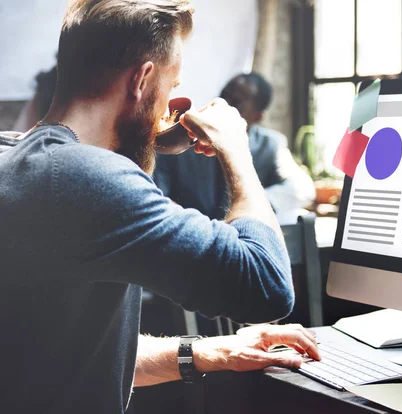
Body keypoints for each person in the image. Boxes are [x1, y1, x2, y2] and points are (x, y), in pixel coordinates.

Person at [0, 1, 319, 413]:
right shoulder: (85, 177)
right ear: (142, 79)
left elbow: (64, 354)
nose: (168, 105)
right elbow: (267, 285)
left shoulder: (17, 158)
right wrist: (236, 151)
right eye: (171, 87)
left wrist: (213, 351)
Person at [154, 72, 315, 220]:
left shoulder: (270, 145)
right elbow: (157, 197)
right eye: (223, 95)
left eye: (236, 102)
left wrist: (251, 205)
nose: (224, 104)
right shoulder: (182, 140)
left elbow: (302, 189)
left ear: (257, 116)